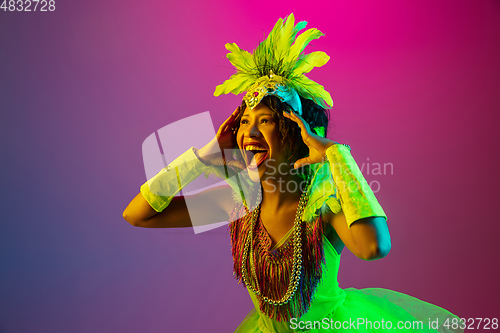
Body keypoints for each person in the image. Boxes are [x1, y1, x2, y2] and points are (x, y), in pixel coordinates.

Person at [123, 14, 463, 333]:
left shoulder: (323, 204)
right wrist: (202, 157)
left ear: (296, 133)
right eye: (244, 122)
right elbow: (138, 215)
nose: (249, 134)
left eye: (266, 121)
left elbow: (374, 247)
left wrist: (336, 155)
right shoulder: (236, 200)